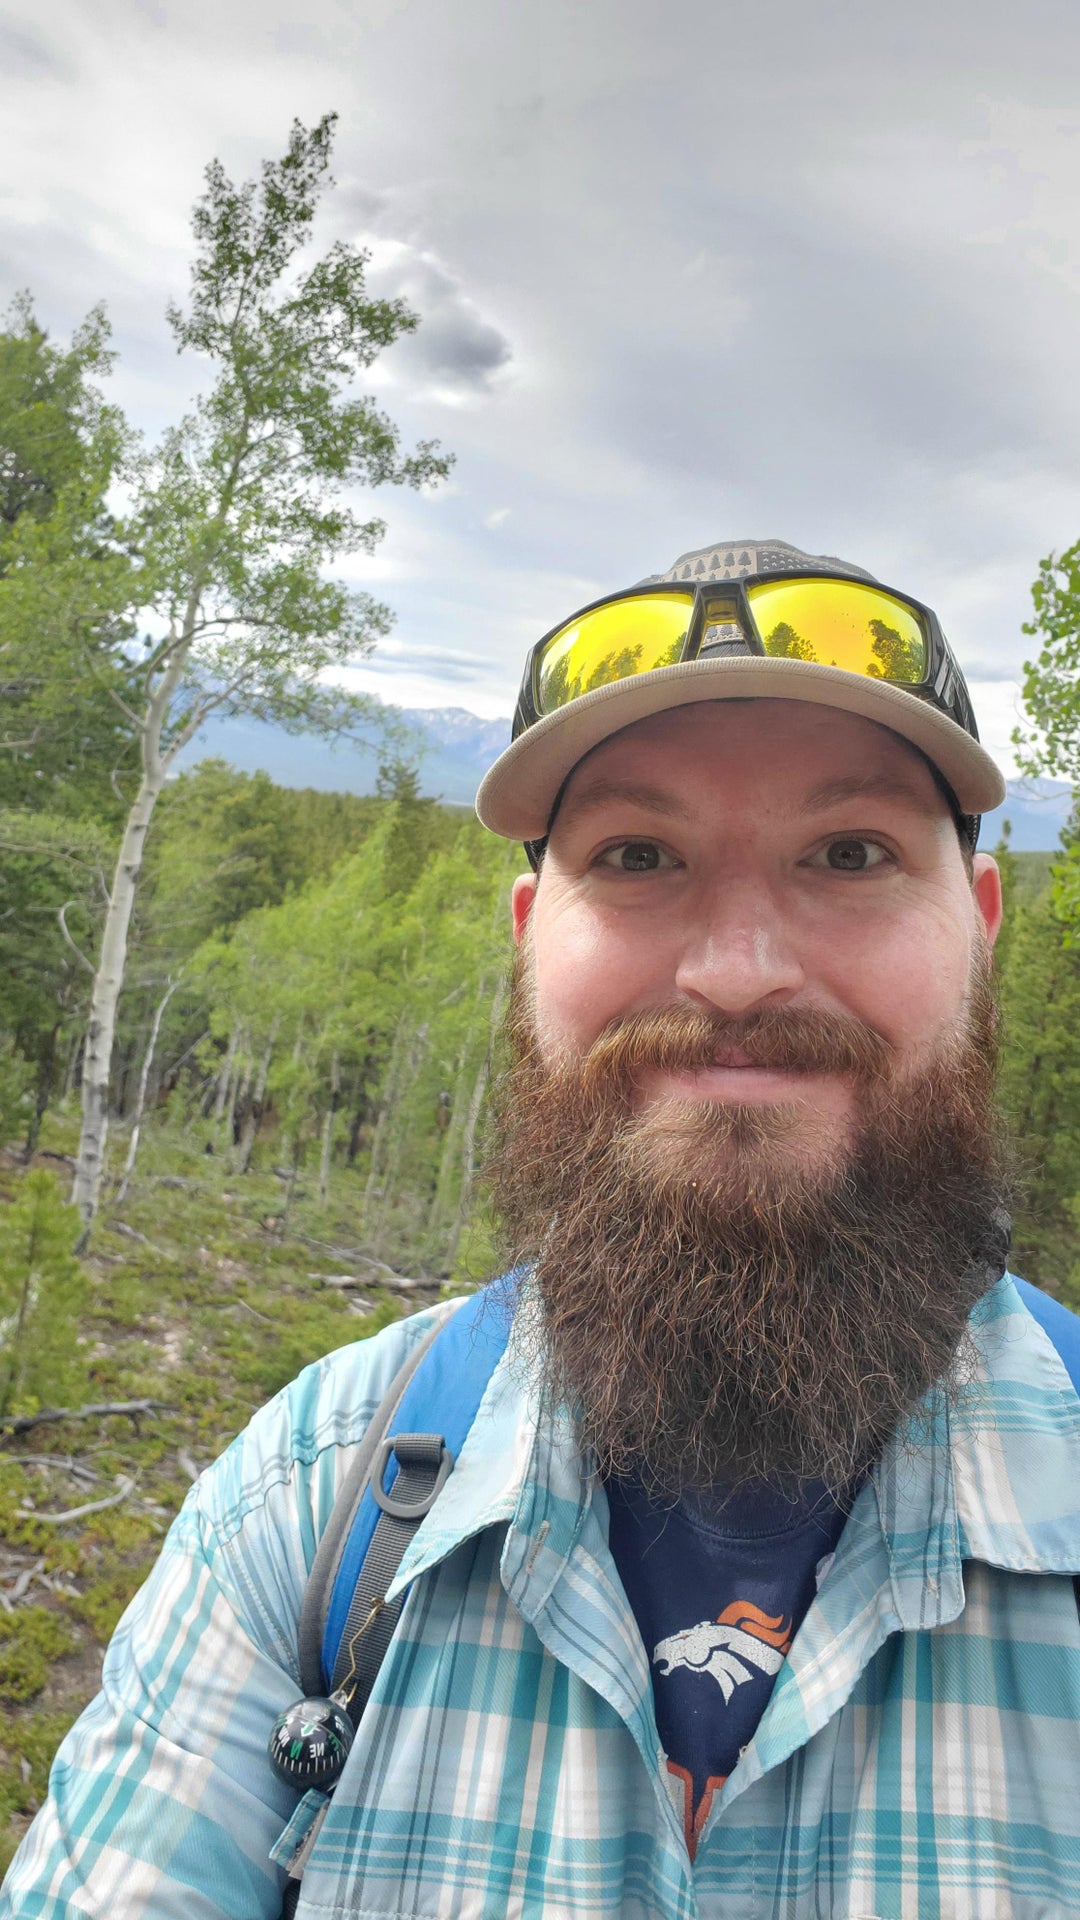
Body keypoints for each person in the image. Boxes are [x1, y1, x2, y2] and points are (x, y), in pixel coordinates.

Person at [5, 537, 1080, 1919]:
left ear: (981, 927)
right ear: (528, 940)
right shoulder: (312, 1500)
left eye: (851, 852)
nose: (736, 973)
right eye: (638, 855)